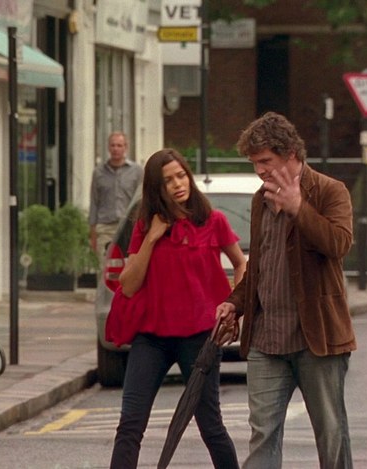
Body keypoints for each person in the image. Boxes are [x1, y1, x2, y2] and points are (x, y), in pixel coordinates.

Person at [215, 112, 356, 469]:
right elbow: (260, 266)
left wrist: (298, 209)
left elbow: (338, 245)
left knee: (331, 433)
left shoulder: (329, 191)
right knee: (262, 433)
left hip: (317, 339)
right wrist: (234, 303)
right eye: (254, 163)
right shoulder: (260, 200)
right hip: (266, 340)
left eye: (265, 161)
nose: (260, 170)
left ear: (291, 153)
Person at [109, 148, 245, 469]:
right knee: (130, 425)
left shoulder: (213, 220)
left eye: (181, 175)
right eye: (168, 180)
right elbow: (129, 285)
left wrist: (234, 306)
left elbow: (241, 264)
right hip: (152, 338)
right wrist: (151, 238)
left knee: (211, 426)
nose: (178, 184)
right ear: (156, 188)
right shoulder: (145, 226)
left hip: (199, 339)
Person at [88, 131, 143, 259]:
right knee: (105, 266)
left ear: (125, 147)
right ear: (108, 147)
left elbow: (141, 200)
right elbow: (94, 202)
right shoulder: (98, 172)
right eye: (113, 145)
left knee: (128, 265)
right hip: (105, 228)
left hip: (128, 227)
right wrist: (93, 233)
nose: (116, 149)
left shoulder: (137, 171)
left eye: (119, 145)